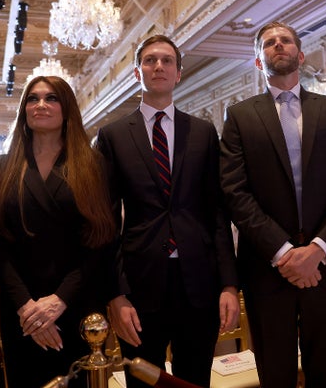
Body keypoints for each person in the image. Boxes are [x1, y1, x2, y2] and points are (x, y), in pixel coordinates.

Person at [220, 22, 326, 387]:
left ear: (300, 55)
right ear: (258, 61)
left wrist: (317, 249)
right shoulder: (239, 116)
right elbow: (236, 193)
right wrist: (285, 253)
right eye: (269, 43)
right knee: (276, 375)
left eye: (285, 41)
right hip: (268, 268)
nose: (278, 45)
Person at [96, 35, 239, 388]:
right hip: (140, 285)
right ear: (136, 72)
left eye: (166, 61)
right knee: (143, 380)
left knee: (195, 381)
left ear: (178, 73)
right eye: (149, 60)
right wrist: (116, 294)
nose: (158, 66)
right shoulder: (112, 135)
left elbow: (217, 213)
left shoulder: (203, 133)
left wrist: (229, 284)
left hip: (199, 282)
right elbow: (107, 221)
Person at [0, 75, 116, 388]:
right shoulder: (3, 168)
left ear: (67, 109)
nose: (40, 105)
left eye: (51, 98)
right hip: (23, 310)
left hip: (77, 303)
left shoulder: (92, 164)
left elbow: (99, 240)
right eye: (33, 98)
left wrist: (59, 301)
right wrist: (27, 306)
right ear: (23, 111)